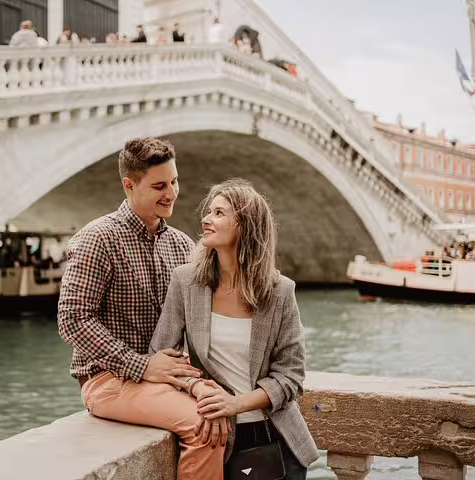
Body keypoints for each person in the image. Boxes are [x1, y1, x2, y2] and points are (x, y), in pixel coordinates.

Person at [58, 137, 227, 479]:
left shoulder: (182, 244)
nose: (171, 193)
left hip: (168, 379)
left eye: (174, 181)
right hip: (107, 380)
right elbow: (72, 320)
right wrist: (142, 365)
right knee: (203, 423)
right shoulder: (99, 238)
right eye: (159, 186)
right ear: (129, 185)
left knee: (226, 408)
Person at [150, 179, 318, 479]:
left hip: (274, 438)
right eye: (208, 211)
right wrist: (196, 389)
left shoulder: (280, 291)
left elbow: (292, 376)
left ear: (245, 226)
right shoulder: (185, 282)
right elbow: (161, 355)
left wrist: (235, 404)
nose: (206, 219)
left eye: (219, 213)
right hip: (216, 438)